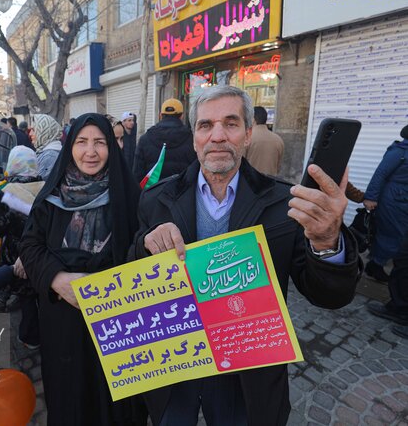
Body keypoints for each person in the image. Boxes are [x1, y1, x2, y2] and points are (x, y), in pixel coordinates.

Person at [128, 86, 361, 426]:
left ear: (248, 134)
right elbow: (133, 268)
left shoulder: (285, 205)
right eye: (206, 125)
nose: (217, 136)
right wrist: (145, 246)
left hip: (247, 372)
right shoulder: (157, 199)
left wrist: (327, 241)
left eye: (231, 124)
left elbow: (329, 294)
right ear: (194, 137)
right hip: (176, 363)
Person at [19, 113, 146, 426]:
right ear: (69, 147)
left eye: (100, 142)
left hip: (117, 320)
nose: (91, 151)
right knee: (70, 397)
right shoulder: (51, 197)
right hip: (64, 321)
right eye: (82, 142)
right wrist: (56, 279)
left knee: (115, 401)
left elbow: (144, 245)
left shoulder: (130, 197)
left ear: (112, 147)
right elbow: (30, 246)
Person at [0, 145, 44, 348]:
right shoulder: (47, 186)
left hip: (18, 253)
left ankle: (30, 336)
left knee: (27, 295)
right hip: (43, 251)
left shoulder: (8, 192)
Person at [362, 124, 408, 281]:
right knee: (392, 235)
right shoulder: (399, 151)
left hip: (403, 199)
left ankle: (376, 264)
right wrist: (370, 197)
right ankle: (375, 265)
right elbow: (380, 173)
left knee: (397, 236)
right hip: (393, 200)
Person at [133, 98, 196, 183]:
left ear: (160, 115)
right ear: (182, 116)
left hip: (152, 193)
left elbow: (137, 174)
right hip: (183, 193)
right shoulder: (192, 139)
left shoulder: (145, 139)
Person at [243, 106, 284, 176]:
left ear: (253, 120)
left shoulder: (247, 138)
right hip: (271, 183)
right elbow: (278, 167)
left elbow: (240, 164)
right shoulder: (278, 140)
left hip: (250, 182)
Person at [31, 114, 62, 180]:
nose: (30, 134)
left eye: (34, 130)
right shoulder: (47, 152)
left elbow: (39, 185)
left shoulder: (50, 156)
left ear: (44, 131)